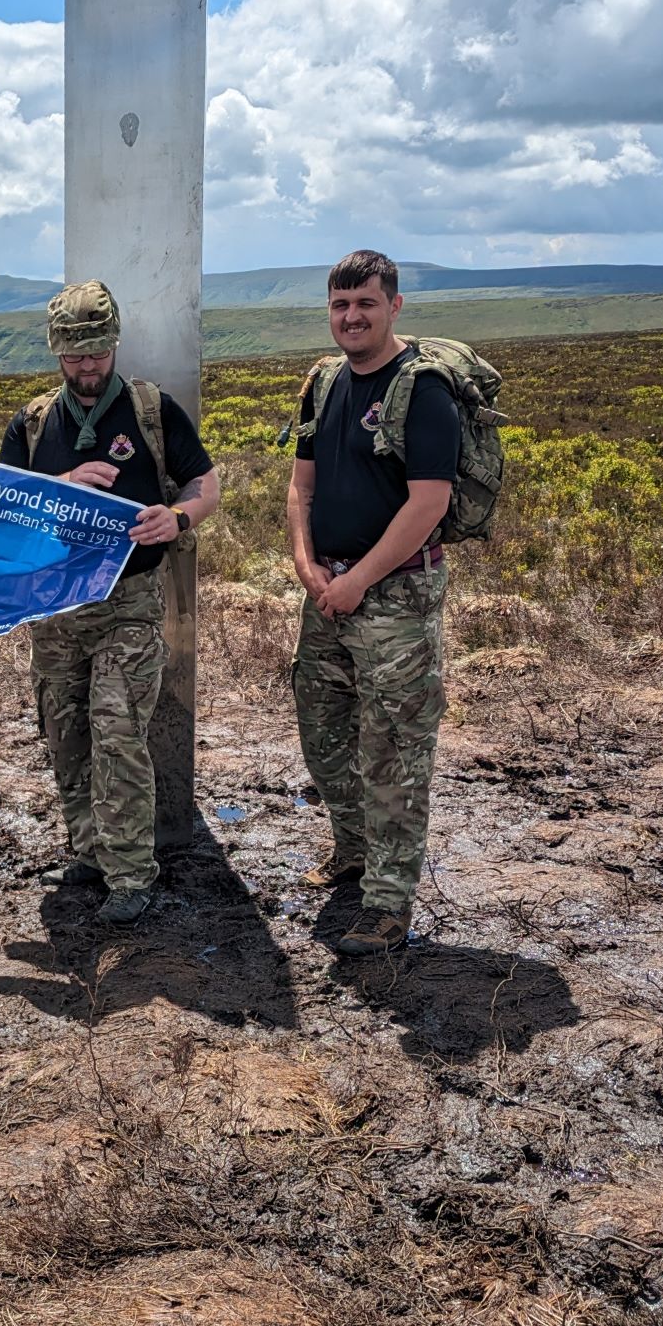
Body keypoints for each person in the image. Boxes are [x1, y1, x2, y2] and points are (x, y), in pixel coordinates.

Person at [0, 280, 219, 925]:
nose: (87, 366)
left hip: (128, 599)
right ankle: (89, 850)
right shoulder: (35, 421)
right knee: (66, 730)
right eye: (73, 354)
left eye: (96, 352)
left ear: (115, 342)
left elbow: (205, 485)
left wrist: (177, 519)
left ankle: (129, 873)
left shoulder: (151, 410)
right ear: (55, 352)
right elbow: (3, 512)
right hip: (57, 603)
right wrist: (60, 486)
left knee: (118, 728)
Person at [286, 249, 461, 954]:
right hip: (325, 589)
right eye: (339, 305)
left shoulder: (421, 390)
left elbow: (428, 503)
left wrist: (358, 579)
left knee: (392, 750)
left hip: (393, 596)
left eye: (364, 303)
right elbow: (300, 484)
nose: (350, 317)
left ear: (393, 305)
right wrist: (305, 564)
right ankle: (352, 849)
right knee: (323, 731)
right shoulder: (323, 383)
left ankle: (387, 903)